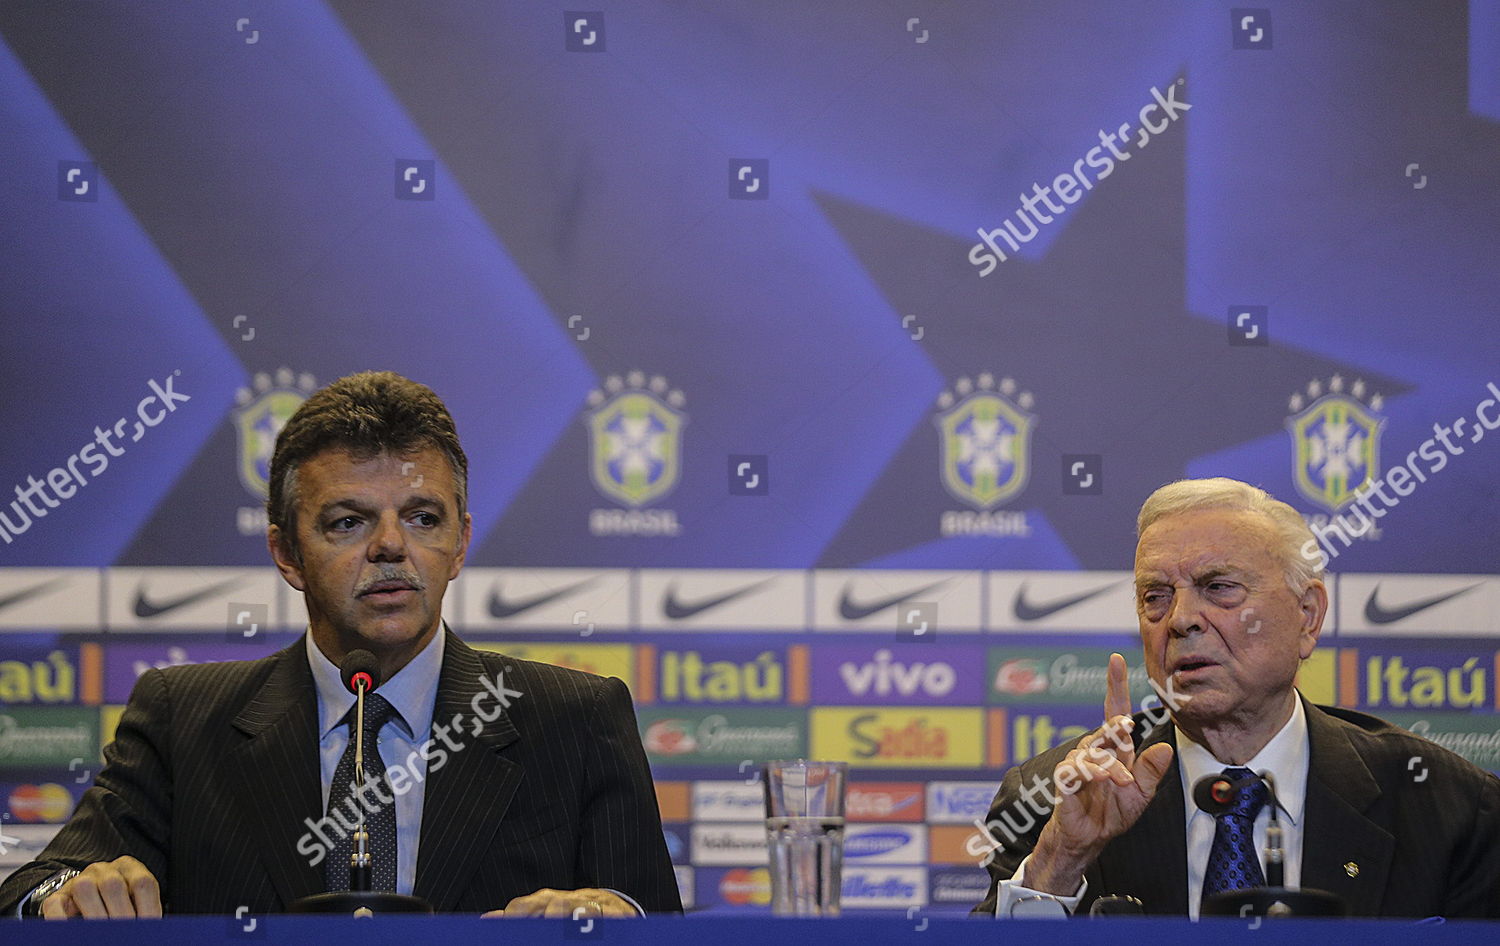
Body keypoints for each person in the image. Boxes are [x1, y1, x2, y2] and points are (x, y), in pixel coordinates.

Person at [0, 371, 680, 918]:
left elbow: (653, 918)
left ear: (460, 544)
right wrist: (64, 896)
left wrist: (610, 913)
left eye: (421, 518)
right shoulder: (183, 720)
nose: (390, 546)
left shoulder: (575, 719)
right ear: (287, 553)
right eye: (348, 521)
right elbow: (31, 887)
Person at [974, 477, 1500, 918]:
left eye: (1219, 587)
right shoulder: (1049, 798)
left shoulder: (1448, 808)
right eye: (1155, 596)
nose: (1180, 620)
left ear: (1307, 616)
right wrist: (1063, 858)